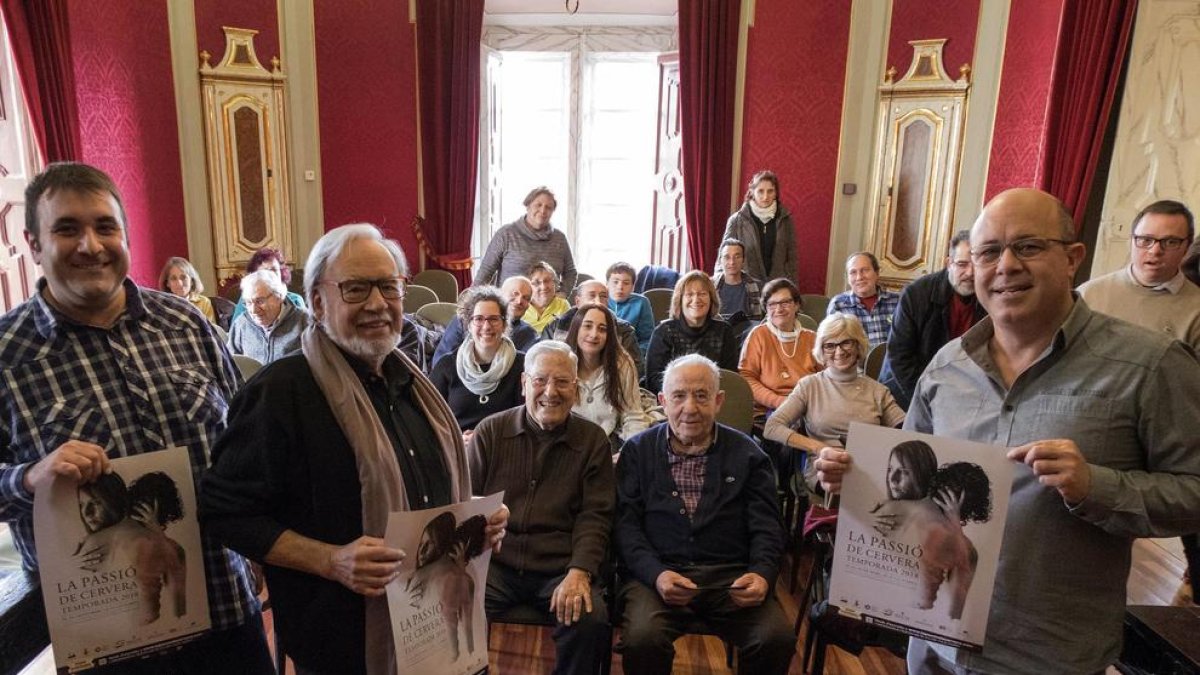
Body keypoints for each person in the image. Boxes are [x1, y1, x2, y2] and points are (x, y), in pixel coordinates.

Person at [814, 188, 1200, 675]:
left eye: (1030, 246)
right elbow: (915, 490)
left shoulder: (1148, 366)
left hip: (1047, 652)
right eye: (990, 252)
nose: (1007, 265)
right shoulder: (945, 367)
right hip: (933, 641)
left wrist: (1096, 487)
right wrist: (860, 480)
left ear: (1072, 259)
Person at [0, 162, 273, 672]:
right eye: (66, 229)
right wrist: (29, 477)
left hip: (224, 607)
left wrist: (259, 542)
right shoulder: (6, 356)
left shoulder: (185, 324)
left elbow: (244, 445)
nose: (90, 245)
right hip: (105, 643)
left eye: (105, 227)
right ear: (34, 244)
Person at [200, 223, 509, 675]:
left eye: (388, 286)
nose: (378, 304)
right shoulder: (281, 392)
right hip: (344, 645)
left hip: (431, 633)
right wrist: (330, 560)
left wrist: (474, 523)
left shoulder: (413, 385)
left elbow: (427, 502)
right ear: (319, 302)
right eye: (356, 288)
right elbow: (223, 511)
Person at [614, 354, 794, 675]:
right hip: (657, 576)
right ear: (662, 401)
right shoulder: (638, 451)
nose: (690, 408)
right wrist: (656, 573)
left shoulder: (749, 454)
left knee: (775, 637)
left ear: (719, 400)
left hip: (730, 577)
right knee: (643, 638)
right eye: (679, 396)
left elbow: (768, 528)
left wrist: (762, 574)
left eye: (701, 395)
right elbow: (626, 528)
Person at [468, 341, 615, 675]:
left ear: (575, 389)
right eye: (540, 380)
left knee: (589, 619)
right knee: (454, 605)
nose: (551, 391)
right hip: (495, 565)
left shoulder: (593, 442)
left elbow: (596, 516)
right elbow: (465, 501)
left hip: (559, 568)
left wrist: (580, 571)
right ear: (524, 384)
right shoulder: (491, 432)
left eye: (563, 382)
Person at [762, 313, 905, 488]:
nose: (839, 351)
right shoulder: (809, 385)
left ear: (858, 344)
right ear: (821, 350)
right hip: (824, 470)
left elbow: (904, 429)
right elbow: (772, 427)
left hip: (870, 471)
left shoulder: (878, 390)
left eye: (846, 342)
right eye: (830, 345)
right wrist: (819, 448)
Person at [879, 230, 987, 409]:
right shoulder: (916, 294)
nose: (970, 273)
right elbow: (899, 357)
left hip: (962, 393)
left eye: (976, 265)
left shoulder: (989, 296)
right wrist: (931, 400)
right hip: (907, 390)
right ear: (948, 263)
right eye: (962, 264)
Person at [1078, 199, 1200, 350]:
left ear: (1187, 247)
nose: (1155, 251)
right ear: (1131, 241)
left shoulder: (1196, 308)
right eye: (1145, 240)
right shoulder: (1089, 294)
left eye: (1170, 242)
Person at [430, 286, 526, 440]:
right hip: (458, 448)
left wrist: (484, 438)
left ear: (504, 325)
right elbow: (431, 418)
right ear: (469, 324)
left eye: (494, 319)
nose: (486, 326)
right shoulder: (447, 365)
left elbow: (527, 419)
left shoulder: (523, 365)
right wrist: (457, 440)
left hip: (506, 448)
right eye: (479, 319)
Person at [564, 303, 648, 449]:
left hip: (607, 444)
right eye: (587, 326)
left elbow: (633, 416)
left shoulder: (622, 363)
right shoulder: (560, 362)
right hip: (565, 444)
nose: (594, 334)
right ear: (576, 328)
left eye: (602, 329)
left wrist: (628, 452)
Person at [738, 278, 820, 421]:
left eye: (785, 302)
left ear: (796, 305)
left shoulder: (813, 338)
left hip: (809, 409)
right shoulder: (758, 335)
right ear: (766, 308)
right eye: (772, 304)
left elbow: (826, 377)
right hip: (768, 411)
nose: (779, 309)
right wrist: (779, 402)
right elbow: (747, 378)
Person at [644, 271, 740, 393]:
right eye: (689, 294)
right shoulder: (664, 332)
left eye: (702, 294)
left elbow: (729, 377)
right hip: (672, 400)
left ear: (711, 299)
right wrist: (686, 394)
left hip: (711, 400)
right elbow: (654, 379)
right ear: (680, 300)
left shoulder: (724, 331)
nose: (696, 299)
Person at [474, 186, 578, 292]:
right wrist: (472, 302)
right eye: (538, 205)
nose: (543, 210)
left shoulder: (559, 238)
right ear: (528, 206)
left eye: (548, 207)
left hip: (550, 306)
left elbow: (570, 272)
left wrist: (563, 294)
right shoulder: (506, 234)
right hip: (512, 304)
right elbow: (485, 272)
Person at [544, 279, 645, 379]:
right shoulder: (555, 327)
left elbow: (635, 369)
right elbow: (542, 362)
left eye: (603, 296)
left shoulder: (623, 329)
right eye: (592, 296)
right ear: (578, 301)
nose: (598, 301)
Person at [433, 275, 539, 366]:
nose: (519, 301)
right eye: (514, 294)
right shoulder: (463, 320)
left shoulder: (528, 334)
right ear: (500, 295)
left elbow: (526, 370)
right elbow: (440, 361)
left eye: (526, 298)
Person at [716, 170, 797, 283]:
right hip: (746, 287)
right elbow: (723, 257)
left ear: (776, 193)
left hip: (777, 288)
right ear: (752, 192)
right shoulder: (737, 221)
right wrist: (719, 288)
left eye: (770, 191)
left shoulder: (785, 220)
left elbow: (792, 261)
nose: (765, 196)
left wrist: (794, 291)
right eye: (760, 191)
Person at [227, 270, 308, 365]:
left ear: (279, 297)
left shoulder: (305, 321)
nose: (253, 310)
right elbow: (229, 364)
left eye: (260, 301)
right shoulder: (241, 324)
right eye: (248, 303)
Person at [826, 252, 900, 348]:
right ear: (848, 278)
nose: (859, 277)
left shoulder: (898, 301)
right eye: (853, 272)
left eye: (865, 270)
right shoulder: (838, 304)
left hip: (892, 361)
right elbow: (832, 346)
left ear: (877, 273)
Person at [229, 247, 307, 321]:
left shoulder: (296, 300)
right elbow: (237, 330)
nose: (271, 276)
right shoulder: (247, 301)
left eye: (274, 270)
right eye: (265, 272)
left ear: (281, 272)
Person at [712, 238, 764, 326]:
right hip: (717, 335)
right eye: (727, 257)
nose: (732, 262)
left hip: (749, 335)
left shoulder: (759, 287)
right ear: (720, 260)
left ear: (743, 260)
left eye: (737, 257)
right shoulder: (709, 286)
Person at [606, 261, 655, 356]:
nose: (620, 287)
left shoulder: (641, 302)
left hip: (630, 356)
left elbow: (647, 339)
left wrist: (629, 355)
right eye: (615, 282)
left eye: (626, 283)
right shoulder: (599, 299)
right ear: (607, 284)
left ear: (633, 287)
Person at [159, 256, 216, 324]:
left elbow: (210, 331)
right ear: (167, 283)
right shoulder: (162, 304)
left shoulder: (204, 303)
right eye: (173, 278)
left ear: (191, 281)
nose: (179, 283)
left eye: (183, 277)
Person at [523, 261, 571, 334]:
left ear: (554, 283)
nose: (544, 287)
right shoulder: (521, 304)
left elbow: (568, 334)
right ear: (529, 286)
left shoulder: (563, 304)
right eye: (537, 283)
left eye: (547, 281)